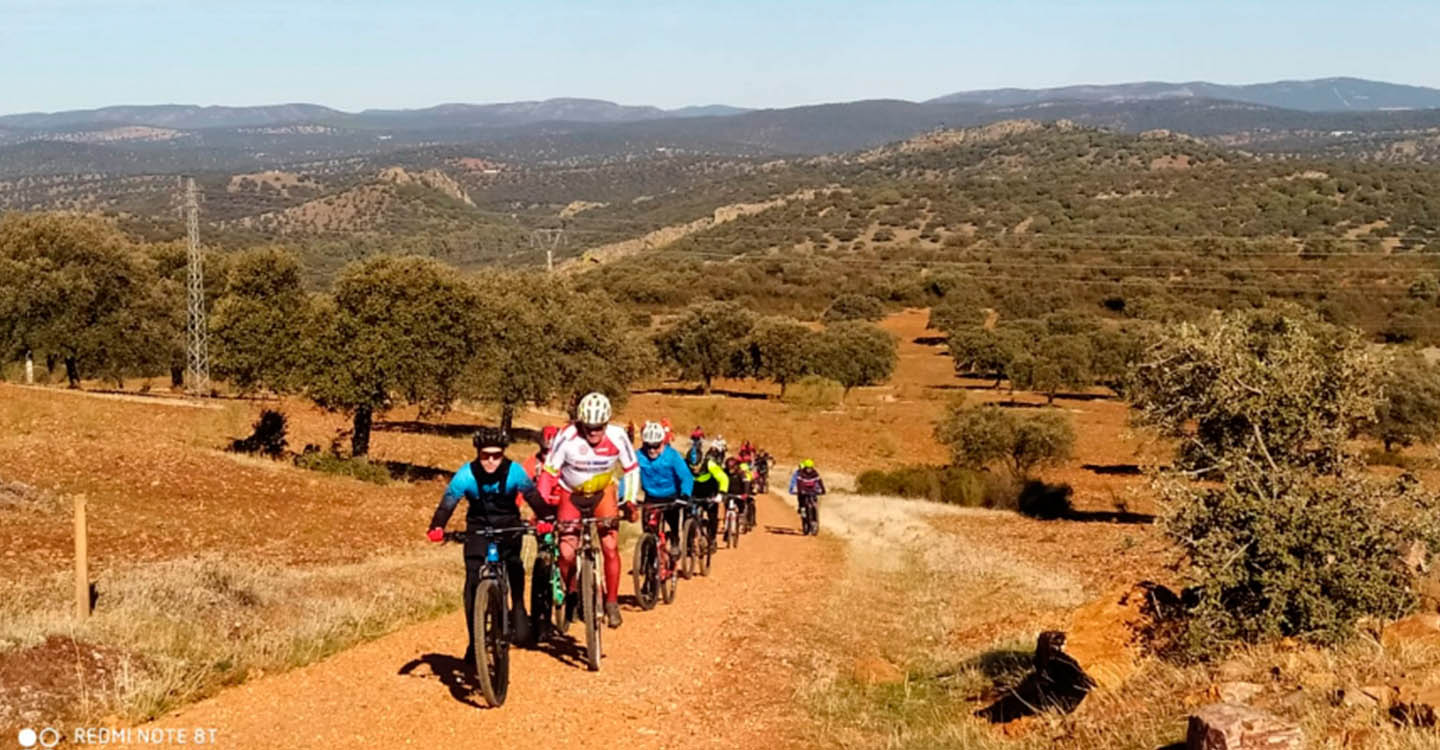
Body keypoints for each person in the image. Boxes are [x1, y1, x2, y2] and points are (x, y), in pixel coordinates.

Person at [427, 427, 546, 658]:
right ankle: (475, 641)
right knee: (472, 580)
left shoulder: (514, 472)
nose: (490, 461)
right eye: (485, 455)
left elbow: (533, 497)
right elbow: (448, 502)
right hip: (478, 527)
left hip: (509, 525)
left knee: (513, 563)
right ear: (478, 453)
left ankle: (518, 606)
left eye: (496, 455)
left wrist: (546, 519)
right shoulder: (466, 474)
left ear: (503, 453)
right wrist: (437, 526)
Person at [537, 393, 639, 629]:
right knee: (566, 552)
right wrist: (541, 507)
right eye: (589, 427)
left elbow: (631, 469)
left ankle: (611, 602)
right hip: (571, 493)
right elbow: (549, 472)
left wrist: (630, 500)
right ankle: (572, 591)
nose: (593, 433)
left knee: (610, 546)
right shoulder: (567, 437)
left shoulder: (618, 436)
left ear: (607, 422)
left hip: (603, 493)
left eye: (599, 427)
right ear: (581, 422)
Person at [635, 421, 694, 557]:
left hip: (671, 496)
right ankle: (650, 559)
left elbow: (686, 476)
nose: (652, 450)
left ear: (663, 442)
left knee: (672, 522)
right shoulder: (638, 455)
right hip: (651, 497)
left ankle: (674, 540)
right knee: (649, 531)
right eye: (648, 446)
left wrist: (685, 495)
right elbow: (628, 476)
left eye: (656, 446)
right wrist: (623, 496)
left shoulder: (672, 456)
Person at [689, 443, 730, 545]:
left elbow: (723, 478)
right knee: (687, 515)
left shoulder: (710, 464)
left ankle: (712, 539)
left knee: (712, 515)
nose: (695, 468)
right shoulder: (684, 464)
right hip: (695, 491)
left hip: (710, 491)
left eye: (697, 465)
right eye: (692, 466)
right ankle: (688, 543)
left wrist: (721, 493)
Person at [789, 459, 827, 532]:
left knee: (814, 503)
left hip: (812, 491)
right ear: (805, 467)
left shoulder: (815, 473)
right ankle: (804, 519)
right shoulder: (801, 473)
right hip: (804, 491)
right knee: (803, 505)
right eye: (807, 468)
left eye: (810, 468)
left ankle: (815, 521)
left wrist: (823, 489)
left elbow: (819, 481)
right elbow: (799, 483)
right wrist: (800, 491)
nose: (809, 470)